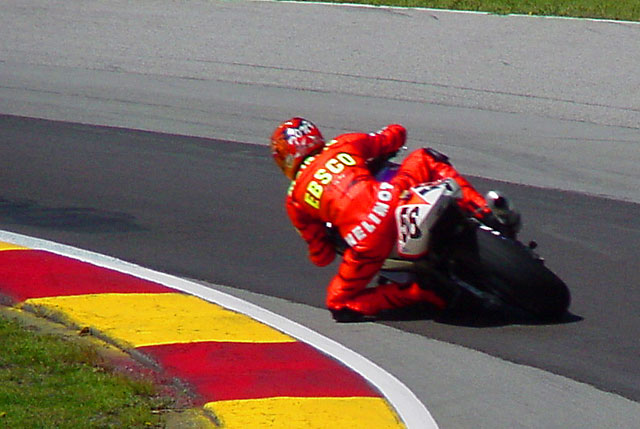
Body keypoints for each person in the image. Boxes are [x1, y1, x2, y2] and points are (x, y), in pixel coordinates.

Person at [270, 117, 517, 322]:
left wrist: (324, 238)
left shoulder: (294, 199)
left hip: (366, 241)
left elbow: (322, 257)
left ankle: (421, 292)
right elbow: (395, 135)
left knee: (339, 302)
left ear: (285, 157)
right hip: (392, 198)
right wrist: (389, 138)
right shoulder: (342, 144)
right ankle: (483, 211)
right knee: (426, 157)